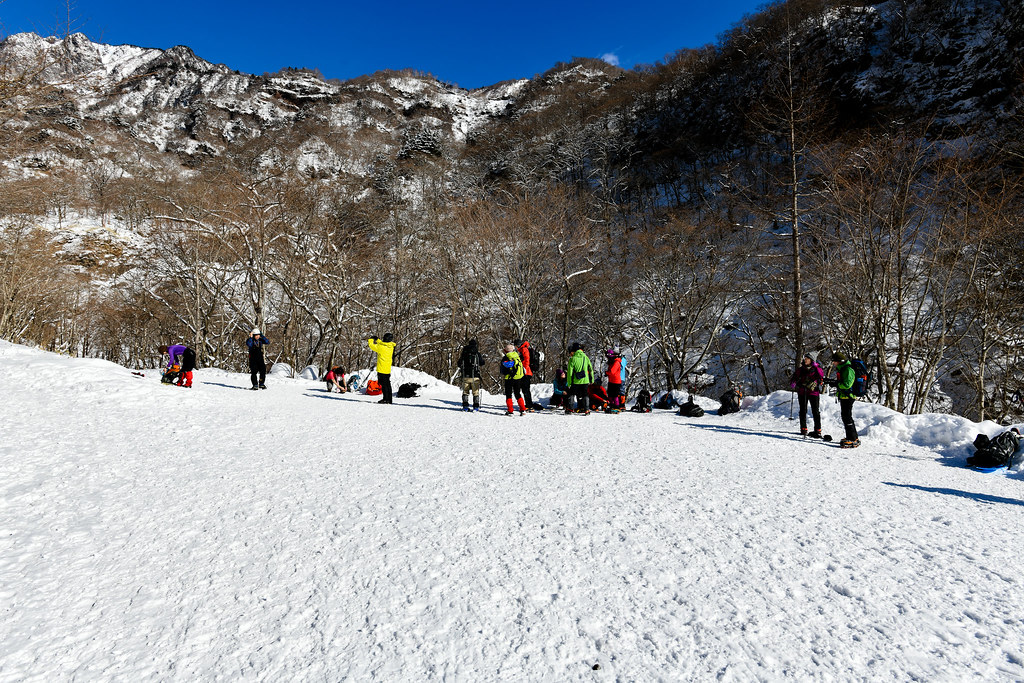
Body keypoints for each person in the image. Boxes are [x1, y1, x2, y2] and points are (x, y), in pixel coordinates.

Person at [826, 352, 859, 448]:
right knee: (846, 417)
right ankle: (852, 437)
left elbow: (847, 384)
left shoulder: (848, 369)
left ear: (839, 361)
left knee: (847, 417)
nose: (833, 363)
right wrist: (834, 382)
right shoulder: (843, 369)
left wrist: (836, 384)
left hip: (848, 396)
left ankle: (852, 439)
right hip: (844, 396)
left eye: (834, 361)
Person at [789, 353, 825, 438]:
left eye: (807, 359)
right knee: (803, 410)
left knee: (815, 411)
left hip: (814, 392)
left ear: (811, 360)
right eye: (805, 358)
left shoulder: (816, 368)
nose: (805, 360)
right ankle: (803, 428)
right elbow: (794, 377)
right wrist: (793, 382)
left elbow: (821, 376)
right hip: (802, 392)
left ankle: (818, 429)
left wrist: (816, 366)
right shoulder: (801, 369)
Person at [565, 342, 594, 415]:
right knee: (585, 394)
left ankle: (570, 409)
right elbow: (590, 369)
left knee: (571, 394)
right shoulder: (586, 358)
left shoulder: (572, 359)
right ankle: (587, 409)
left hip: (576, 380)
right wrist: (592, 379)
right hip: (585, 380)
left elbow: (569, 373)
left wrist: (569, 382)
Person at [458, 339, 486, 412]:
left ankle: (465, 407)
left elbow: (459, 364)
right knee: (475, 392)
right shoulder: (477, 353)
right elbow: (482, 363)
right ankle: (476, 407)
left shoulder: (464, 353)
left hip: (465, 376)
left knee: (465, 392)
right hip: (475, 376)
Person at [368, 333, 395, 404]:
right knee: (388, 384)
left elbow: (372, 346)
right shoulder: (391, 346)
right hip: (387, 369)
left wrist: (371, 340)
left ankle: (385, 399)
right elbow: (383, 344)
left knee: (384, 385)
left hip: (381, 369)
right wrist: (378, 340)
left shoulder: (381, 348)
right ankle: (389, 399)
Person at [501, 343, 527, 415]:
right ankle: (523, 409)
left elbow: (503, 370)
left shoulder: (506, 358)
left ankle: (510, 411)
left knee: (508, 394)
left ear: (506, 351)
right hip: (518, 378)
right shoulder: (517, 356)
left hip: (509, 378)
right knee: (517, 393)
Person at [515, 338, 536, 412]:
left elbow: (527, 360)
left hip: (526, 372)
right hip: (525, 372)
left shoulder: (524, 349)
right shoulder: (522, 349)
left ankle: (529, 406)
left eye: (515, 346)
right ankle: (528, 405)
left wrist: (523, 368)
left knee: (526, 389)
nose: (515, 348)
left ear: (518, 345)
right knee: (525, 389)